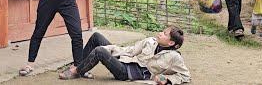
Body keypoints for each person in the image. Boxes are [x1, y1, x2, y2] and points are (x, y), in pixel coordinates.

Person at [59, 26, 191, 85]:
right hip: (125, 60)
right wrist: (111, 49)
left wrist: (167, 79)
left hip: (128, 73)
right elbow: (131, 50)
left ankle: (76, 71)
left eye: (165, 34)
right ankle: (80, 66)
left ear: (171, 42)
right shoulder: (150, 41)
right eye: (163, 31)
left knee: (99, 51)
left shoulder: (174, 57)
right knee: (97, 37)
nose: (160, 33)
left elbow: (185, 76)